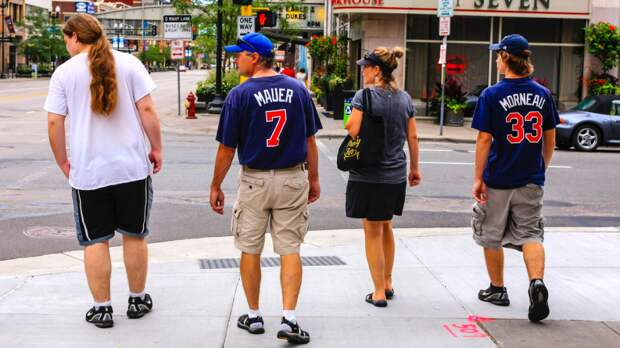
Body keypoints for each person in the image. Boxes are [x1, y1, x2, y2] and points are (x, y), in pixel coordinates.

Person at [45, 14, 162, 329]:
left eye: (66, 39)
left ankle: (102, 308)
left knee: (95, 240)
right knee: (134, 235)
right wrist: (157, 148)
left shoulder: (64, 73)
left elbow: (55, 122)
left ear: (75, 38)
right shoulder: (130, 63)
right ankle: (137, 300)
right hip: (132, 169)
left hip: (89, 173)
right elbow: (148, 110)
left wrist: (63, 161)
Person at [210, 33, 322, 345]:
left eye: (240, 54)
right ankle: (289, 317)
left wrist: (216, 185)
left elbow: (226, 148)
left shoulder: (240, 95)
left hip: (254, 180)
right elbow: (310, 139)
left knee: (250, 247)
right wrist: (314, 178)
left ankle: (254, 314)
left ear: (256, 57)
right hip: (291, 178)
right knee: (290, 248)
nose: (236, 59)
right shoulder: (298, 90)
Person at [471, 34, 559, 322]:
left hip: (498, 177)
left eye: (498, 54)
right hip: (531, 177)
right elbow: (550, 138)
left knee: (491, 234)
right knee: (531, 234)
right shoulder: (543, 94)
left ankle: (497, 289)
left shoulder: (492, 94)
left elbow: (485, 139)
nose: (496, 58)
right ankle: (536, 283)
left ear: (507, 57)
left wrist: (478, 177)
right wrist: (541, 168)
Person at [345, 47, 421, 307]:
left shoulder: (363, 96)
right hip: (395, 173)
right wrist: (415, 168)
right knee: (387, 225)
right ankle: (387, 281)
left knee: (372, 230)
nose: (362, 70)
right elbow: (412, 136)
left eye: (366, 66)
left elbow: (352, 129)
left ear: (377, 70)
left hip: (368, 173)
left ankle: (378, 291)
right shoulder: (405, 98)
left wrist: (352, 118)